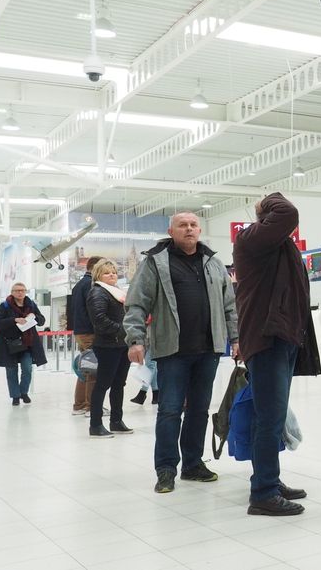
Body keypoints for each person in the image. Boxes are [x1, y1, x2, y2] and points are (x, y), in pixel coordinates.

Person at [124, 211, 238, 494]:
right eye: (182, 225)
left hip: (208, 350)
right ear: (171, 230)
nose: (188, 229)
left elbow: (229, 306)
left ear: (200, 230)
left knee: (199, 410)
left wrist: (235, 338)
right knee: (170, 411)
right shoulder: (155, 263)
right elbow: (137, 303)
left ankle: (192, 464)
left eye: (193, 225)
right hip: (172, 350)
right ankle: (165, 469)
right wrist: (135, 339)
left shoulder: (213, 263)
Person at [234, 192, 319, 516]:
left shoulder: (274, 245)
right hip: (267, 339)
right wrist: (266, 200)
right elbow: (289, 211)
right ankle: (264, 493)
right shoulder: (250, 239)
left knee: (268, 416)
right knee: (269, 419)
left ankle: (268, 479)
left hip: (280, 338)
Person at [86, 258, 133, 438]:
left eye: (113, 271)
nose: (112, 274)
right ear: (98, 275)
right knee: (102, 385)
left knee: (119, 384)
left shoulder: (115, 292)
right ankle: (95, 425)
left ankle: (116, 421)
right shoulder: (98, 293)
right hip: (107, 345)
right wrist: (123, 329)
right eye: (107, 272)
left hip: (120, 344)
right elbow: (99, 320)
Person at [0, 283, 47, 406]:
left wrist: (34, 317)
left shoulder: (31, 305)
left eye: (22, 290)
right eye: (17, 290)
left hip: (27, 343)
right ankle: (15, 396)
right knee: (11, 371)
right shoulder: (5, 305)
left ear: (25, 291)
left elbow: (42, 321)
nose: (20, 293)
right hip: (9, 343)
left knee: (27, 369)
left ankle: (24, 392)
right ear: (12, 292)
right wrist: (14, 320)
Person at [70, 256, 102, 416]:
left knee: (85, 367)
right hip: (90, 332)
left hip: (80, 331)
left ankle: (79, 404)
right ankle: (91, 406)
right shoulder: (91, 285)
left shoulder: (78, 285)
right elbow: (94, 311)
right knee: (93, 369)